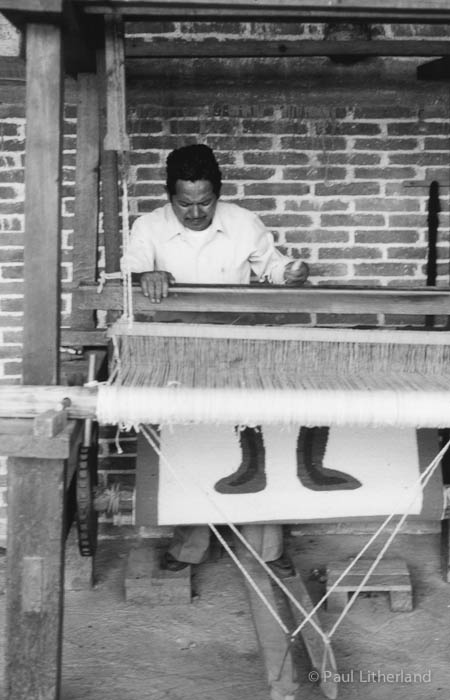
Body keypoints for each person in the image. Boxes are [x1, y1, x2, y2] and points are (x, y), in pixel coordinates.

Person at [122, 144, 309, 574]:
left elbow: (274, 268)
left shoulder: (244, 223)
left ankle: (269, 547)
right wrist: (144, 275)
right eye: (184, 203)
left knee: (256, 440)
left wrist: (291, 272)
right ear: (169, 196)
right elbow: (128, 274)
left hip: (237, 345)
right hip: (176, 349)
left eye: (204, 202)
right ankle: (191, 545)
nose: (194, 212)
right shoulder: (148, 227)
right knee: (188, 442)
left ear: (218, 194)